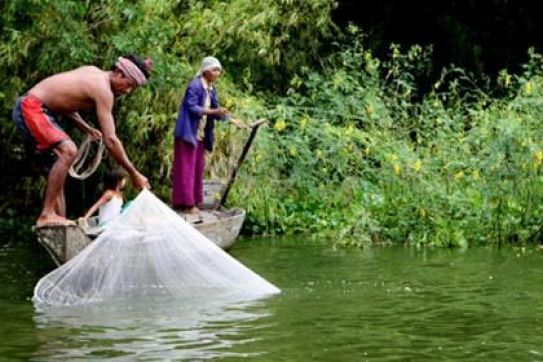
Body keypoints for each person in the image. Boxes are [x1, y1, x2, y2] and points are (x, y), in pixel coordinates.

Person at [12, 55, 152, 226]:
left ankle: (59, 223)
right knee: (69, 150)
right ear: (119, 73)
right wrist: (134, 173)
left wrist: (85, 128)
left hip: (36, 108)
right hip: (31, 107)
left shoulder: (93, 72)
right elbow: (111, 140)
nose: (128, 91)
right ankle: (47, 214)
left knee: (57, 169)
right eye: (129, 85)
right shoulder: (104, 91)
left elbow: (64, 102)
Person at [172, 56, 246, 213]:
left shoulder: (211, 89)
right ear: (205, 71)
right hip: (188, 133)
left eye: (219, 70)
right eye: (214, 69)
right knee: (186, 168)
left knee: (198, 168)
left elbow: (216, 110)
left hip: (200, 134)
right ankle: (186, 204)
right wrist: (214, 111)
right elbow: (192, 107)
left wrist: (232, 120)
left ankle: (194, 201)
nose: (217, 73)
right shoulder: (195, 86)